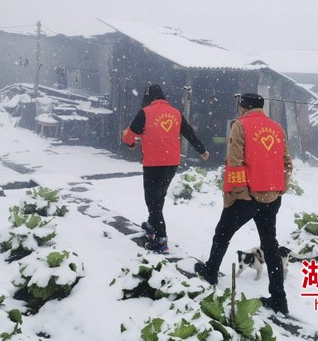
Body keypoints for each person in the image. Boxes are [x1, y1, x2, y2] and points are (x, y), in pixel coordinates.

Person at [195, 93, 293, 315]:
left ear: (243, 108)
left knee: (222, 234)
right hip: (272, 198)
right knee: (270, 246)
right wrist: (280, 188)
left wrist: (241, 193)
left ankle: (210, 272)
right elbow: (287, 163)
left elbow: (235, 161)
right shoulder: (277, 128)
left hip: (247, 197)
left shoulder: (241, 126)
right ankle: (279, 298)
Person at [122, 83, 209, 254]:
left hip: (153, 164)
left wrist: (131, 143)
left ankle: (161, 240)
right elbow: (189, 133)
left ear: (149, 98)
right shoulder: (176, 113)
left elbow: (128, 135)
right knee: (158, 197)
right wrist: (202, 150)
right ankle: (151, 225)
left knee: (152, 201)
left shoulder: (145, 112)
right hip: (171, 163)